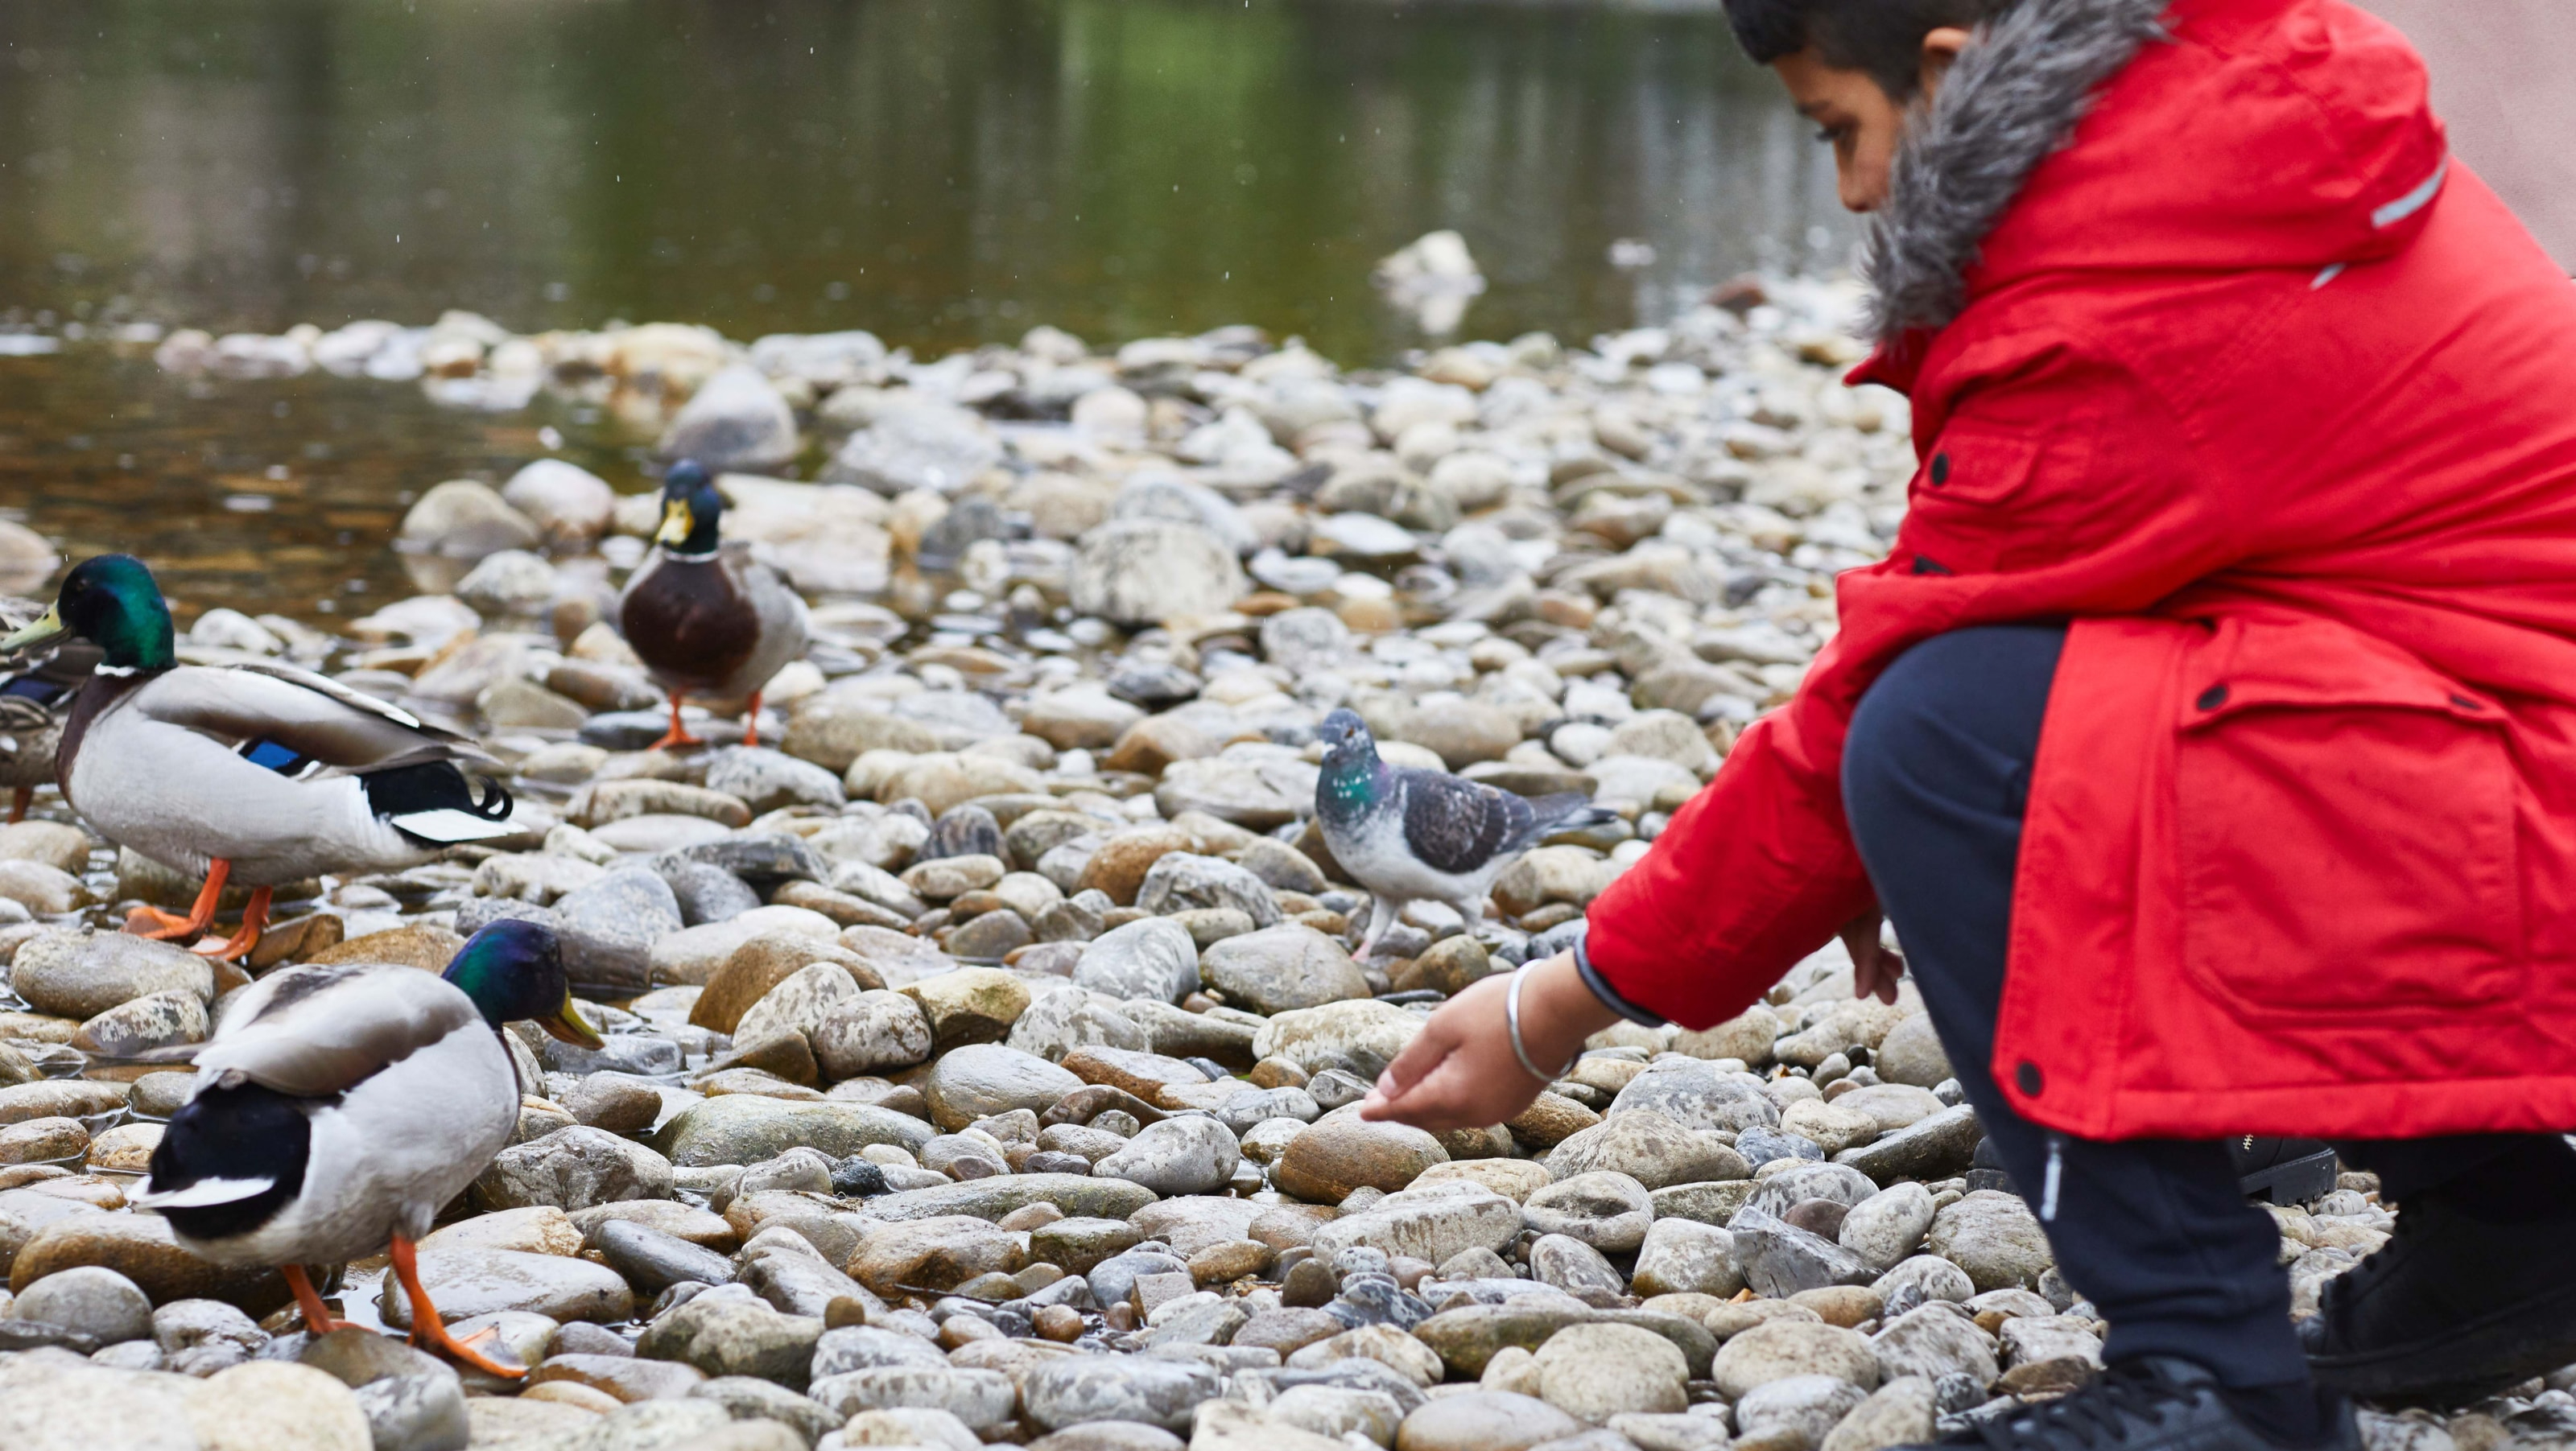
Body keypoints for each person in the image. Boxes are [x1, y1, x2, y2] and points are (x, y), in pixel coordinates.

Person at [1360, 1, 2576, 1448]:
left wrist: (1558, 1005)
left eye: (1841, 132)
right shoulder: (2232, 143)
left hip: (2523, 821)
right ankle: (2509, 1221)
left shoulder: (2131, 298)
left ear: (1945, 68)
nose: (1854, 191)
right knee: (1991, 724)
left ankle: (2210, 1380)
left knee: (1943, 741)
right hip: (2505, 772)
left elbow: (1884, 703)